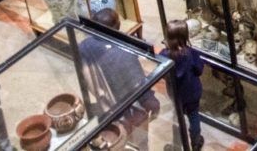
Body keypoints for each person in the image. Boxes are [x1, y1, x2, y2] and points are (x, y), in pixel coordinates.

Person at [78, 9, 160, 146]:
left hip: (105, 108)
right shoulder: (125, 51)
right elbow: (138, 85)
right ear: (118, 26)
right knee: (140, 142)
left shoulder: (84, 46)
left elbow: (86, 78)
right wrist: (151, 101)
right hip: (127, 110)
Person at [162, 20, 205, 150]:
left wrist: (167, 48)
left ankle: (176, 145)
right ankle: (196, 142)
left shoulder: (164, 55)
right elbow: (199, 70)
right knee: (193, 116)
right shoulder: (191, 54)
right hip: (192, 94)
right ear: (185, 37)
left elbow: (162, 72)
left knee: (177, 118)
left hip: (175, 95)